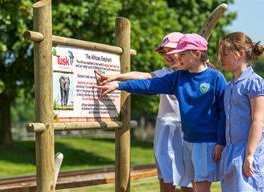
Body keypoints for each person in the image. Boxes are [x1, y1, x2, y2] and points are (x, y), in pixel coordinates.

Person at [96, 33, 227, 192]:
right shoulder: (176, 77)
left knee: (199, 185)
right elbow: (148, 85)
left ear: (197, 54)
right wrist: (118, 85)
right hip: (188, 140)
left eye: (182, 53)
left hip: (206, 141)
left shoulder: (216, 78)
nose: (176, 56)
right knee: (192, 182)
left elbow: (223, 112)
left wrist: (220, 142)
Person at [217, 32, 264, 192]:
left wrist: (249, 154)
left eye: (224, 54)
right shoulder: (229, 86)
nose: (221, 59)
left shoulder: (254, 83)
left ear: (240, 54)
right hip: (232, 152)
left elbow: (258, 121)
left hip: (252, 151)